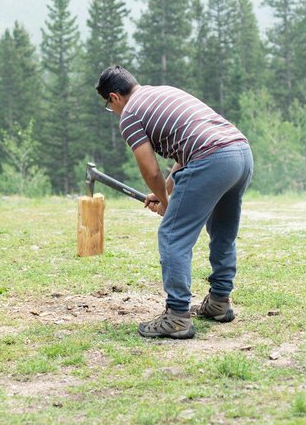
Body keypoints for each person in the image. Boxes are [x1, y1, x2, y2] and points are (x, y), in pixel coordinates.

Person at [95, 65, 253, 339]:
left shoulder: (130, 114)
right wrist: (166, 190)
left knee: (172, 235)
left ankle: (177, 316)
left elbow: (150, 169)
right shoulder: (164, 93)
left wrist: (167, 203)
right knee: (223, 232)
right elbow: (187, 145)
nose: (114, 111)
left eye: (110, 106)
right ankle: (219, 302)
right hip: (239, 152)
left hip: (211, 158)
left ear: (114, 97)